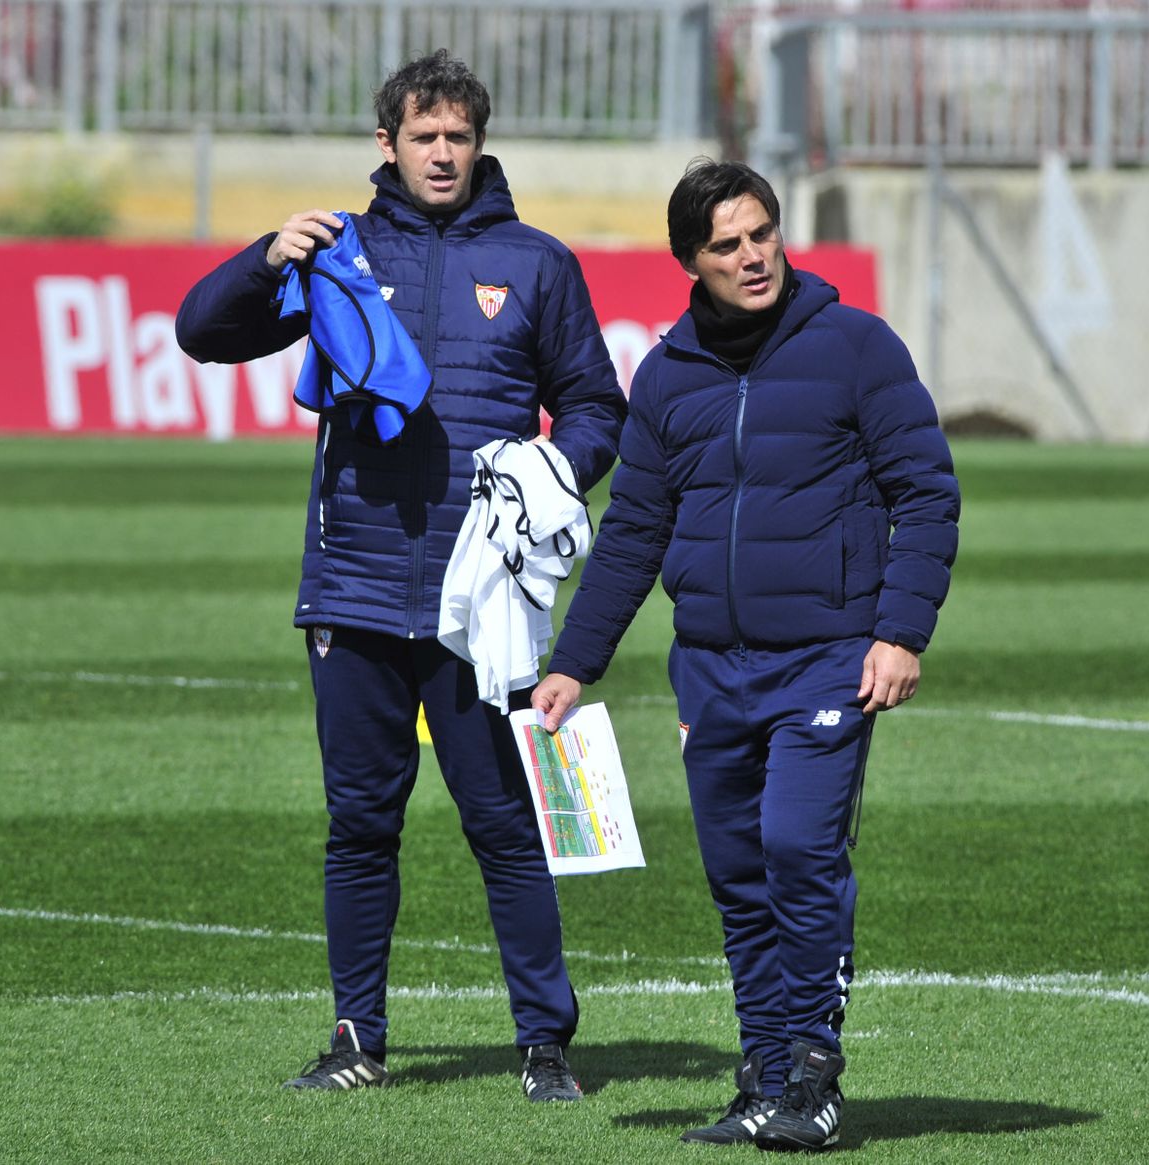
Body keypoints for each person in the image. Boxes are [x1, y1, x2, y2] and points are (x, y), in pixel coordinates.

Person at [176, 49, 626, 1100]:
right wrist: (262, 258)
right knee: (361, 823)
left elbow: (598, 405)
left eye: (457, 137)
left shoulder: (537, 263)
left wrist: (557, 467)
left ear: (480, 143)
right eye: (421, 136)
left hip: (485, 607)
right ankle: (354, 1039)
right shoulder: (335, 251)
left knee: (505, 824)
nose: (439, 153)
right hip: (355, 589)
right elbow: (202, 332)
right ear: (386, 144)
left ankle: (544, 1042)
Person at [531, 159, 959, 1149]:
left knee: (799, 851)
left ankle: (812, 1075)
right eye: (725, 244)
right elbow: (633, 528)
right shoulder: (671, 373)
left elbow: (926, 493)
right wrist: (574, 661)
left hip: (826, 659)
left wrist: (899, 631)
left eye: (761, 233)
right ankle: (763, 1071)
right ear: (691, 260)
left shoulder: (854, 346)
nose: (750, 255)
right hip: (710, 668)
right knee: (737, 875)